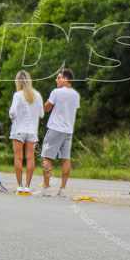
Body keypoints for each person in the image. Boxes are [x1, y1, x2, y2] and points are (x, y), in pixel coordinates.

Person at [41, 69, 80, 197]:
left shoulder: (56, 92)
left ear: (65, 79)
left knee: (47, 156)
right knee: (65, 158)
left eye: (58, 77)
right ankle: (62, 189)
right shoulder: (75, 95)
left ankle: (46, 187)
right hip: (68, 129)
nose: (56, 80)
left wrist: (48, 104)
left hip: (55, 127)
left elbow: (47, 108)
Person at [9, 70, 44, 194]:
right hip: (32, 130)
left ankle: (19, 185)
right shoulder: (37, 95)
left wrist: (13, 117)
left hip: (18, 129)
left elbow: (12, 111)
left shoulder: (18, 95)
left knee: (18, 158)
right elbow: (41, 114)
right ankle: (28, 185)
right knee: (30, 158)